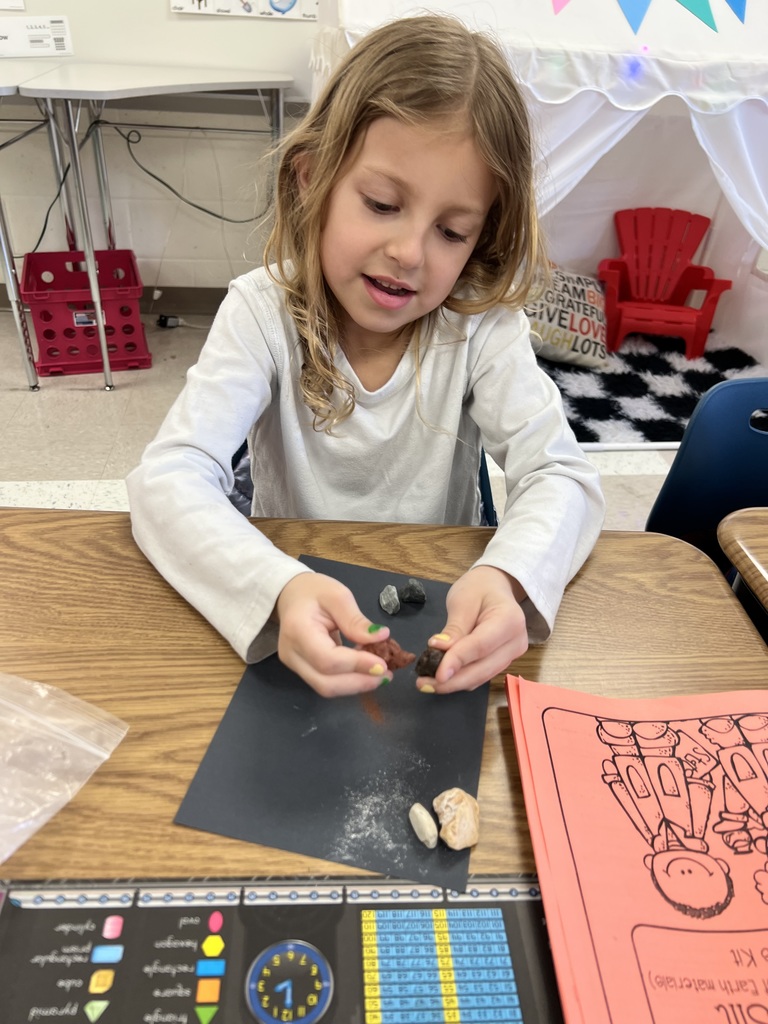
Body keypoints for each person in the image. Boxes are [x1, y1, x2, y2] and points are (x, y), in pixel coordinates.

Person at [127, 14, 605, 698]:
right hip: (301, 611)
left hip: (436, 618)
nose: (410, 253)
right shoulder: (261, 313)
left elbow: (563, 475)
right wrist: (276, 586)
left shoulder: (480, 326)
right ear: (310, 179)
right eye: (382, 204)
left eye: (451, 230)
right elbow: (166, 479)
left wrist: (509, 577)